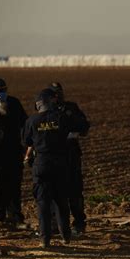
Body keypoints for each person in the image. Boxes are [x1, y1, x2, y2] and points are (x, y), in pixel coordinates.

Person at [23, 89, 89, 248]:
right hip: (60, 163)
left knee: (43, 203)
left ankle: (45, 240)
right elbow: (83, 126)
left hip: (41, 163)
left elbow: (26, 140)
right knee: (61, 201)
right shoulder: (61, 118)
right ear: (51, 102)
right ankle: (65, 235)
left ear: (38, 105)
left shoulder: (32, 120)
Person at [48, 82, 90, 234]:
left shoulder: (71, 108)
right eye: (54, 93)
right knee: (54, 191)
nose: (58, 95)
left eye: (59, 92)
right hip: (55, 155)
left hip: (71, 154)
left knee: (75, 189)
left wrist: (73, 124)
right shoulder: (46, 111)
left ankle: (79, 222)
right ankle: (55, 224)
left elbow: (84, 126)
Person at [0, 78, 28, 228]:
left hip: (14, 151)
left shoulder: (14, 103)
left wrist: (28, 145)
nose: (2, 93)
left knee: (14, 185)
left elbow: (25, 124)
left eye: (4, 90)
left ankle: (15, 217)